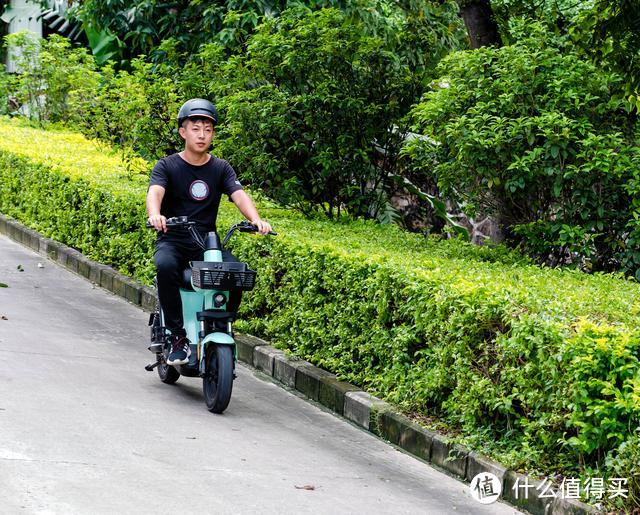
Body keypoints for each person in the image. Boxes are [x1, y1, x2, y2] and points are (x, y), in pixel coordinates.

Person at [146, 98, 272, 366]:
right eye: (195, 128)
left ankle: (222, 324)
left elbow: (238, 195)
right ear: (183, 132)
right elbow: (155, 192)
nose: (202, 134)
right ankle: (177, 337)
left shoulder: (220, 168)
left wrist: (257, 220)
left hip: (206, 243)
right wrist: (155, 214)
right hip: (173, 239)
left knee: (237, 272)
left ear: (213, 134)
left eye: (208, 129)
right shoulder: (167, 165)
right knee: (165, 265)